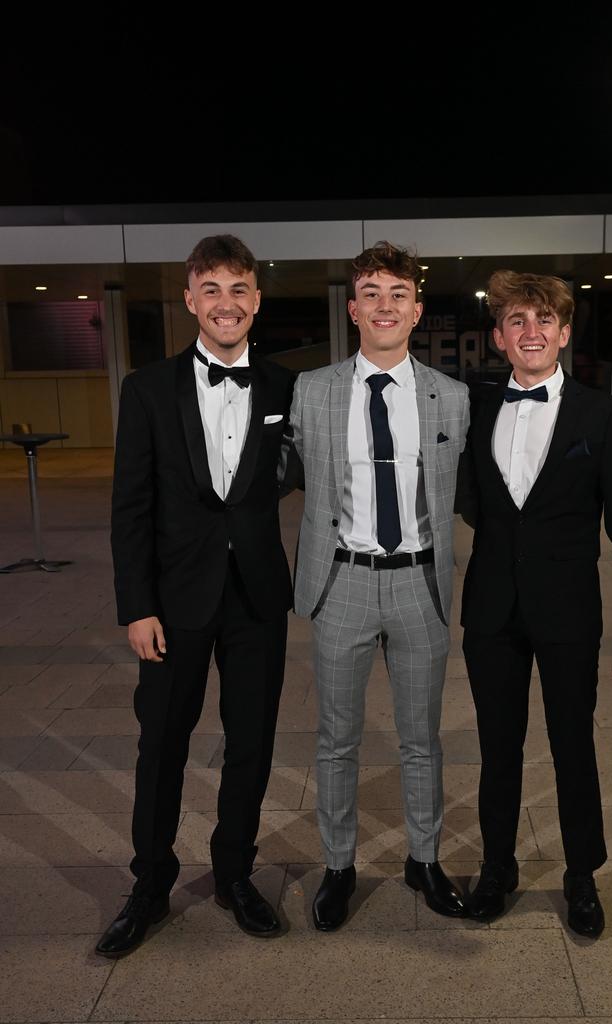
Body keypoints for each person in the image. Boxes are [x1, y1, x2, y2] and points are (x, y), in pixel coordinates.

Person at [97, 234, 294, 956]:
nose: (226, 303)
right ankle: (149, 885)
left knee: (250, 744)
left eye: (238, 289)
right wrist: (136, 605)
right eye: (211, 289)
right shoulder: (146, 388)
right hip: (173, 603)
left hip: (257, 600)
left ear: (256, 299)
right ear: (190, 300)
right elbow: (130, 508)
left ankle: (235, 874)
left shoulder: (282, 387)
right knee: (162, 747)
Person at [457, 271, 612, 938]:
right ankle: (496, 869)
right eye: (518, 321)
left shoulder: (600, 416)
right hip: (491, 612)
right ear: (499, 337)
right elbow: (468, 503)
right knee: (498, 747)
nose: (532, 332)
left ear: (565, 333)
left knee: (573, 746)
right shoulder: (475, 411)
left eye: (545, 320)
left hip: (569, 613)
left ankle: (581, 876)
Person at [287, 241, 470, 930]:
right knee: (337, 739)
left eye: (398, 292)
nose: (384, 304)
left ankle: (423, 859)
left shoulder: (451, 398)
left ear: (416, 310)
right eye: (371, 291)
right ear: (353, 307)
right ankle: (339, 865)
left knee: (421, 737)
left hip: (421, 584)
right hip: (343, 585)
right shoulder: (312, 390)